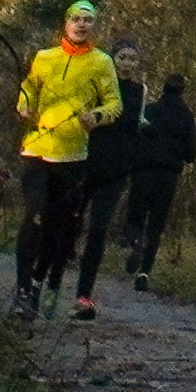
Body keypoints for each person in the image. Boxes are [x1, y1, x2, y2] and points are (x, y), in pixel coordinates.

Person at [10, 3, 123, 318]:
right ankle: (22, 292)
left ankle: (35, 284)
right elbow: (29, 87)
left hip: (73, 157)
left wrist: (96, 116)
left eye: (88, 20)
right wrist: (24, 105)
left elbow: (115, 103)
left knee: (55, 226)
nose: (81, 24)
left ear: (94, 26)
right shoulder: (45, 57)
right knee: (34, 216)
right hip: (37, 148)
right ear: (66, 22)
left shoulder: (101, 63)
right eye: (76, 19)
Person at [69, 40, 145, 314]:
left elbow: (139, 127)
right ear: (112, 59)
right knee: (68, 221)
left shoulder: (140, 92)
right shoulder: (97, 86)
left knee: (98, 230)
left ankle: (83, 296)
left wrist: (135, 160)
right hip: (85, 162)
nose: (127, 63)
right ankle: (50, 277)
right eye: (122, 57)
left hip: (117, 170)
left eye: (132, 59)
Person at [120, 72, 196, 287]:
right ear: (182, 90)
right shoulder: (186, 116)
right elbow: (192, 153)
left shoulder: (150, 110)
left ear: (164, 88)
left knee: (135, 215)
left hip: (143, 170)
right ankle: (144, 274)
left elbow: (135, 136)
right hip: (168, 174)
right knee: (156, 223)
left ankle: (136, 241)